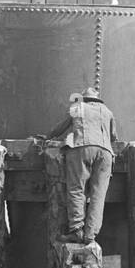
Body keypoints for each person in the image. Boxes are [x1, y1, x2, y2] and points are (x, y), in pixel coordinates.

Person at [44, 87, 121, 245]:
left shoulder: (77, 107)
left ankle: (77, 230)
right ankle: (90, 234)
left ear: (84, 99)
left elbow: (61, 127)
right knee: (98, 195)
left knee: (76, 189)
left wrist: (47, 136)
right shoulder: (107, 111)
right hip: (106, 153)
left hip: (82, 148)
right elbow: (114, 136)